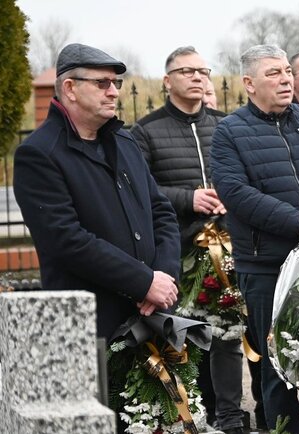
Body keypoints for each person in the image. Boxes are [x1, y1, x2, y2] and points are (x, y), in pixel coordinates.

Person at [211, 44, 299, 434]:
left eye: (287, 71)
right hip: (266, 266)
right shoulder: (230, 131)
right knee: (277, 365)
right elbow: (236, 194)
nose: (286, 79)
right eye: (274, 73)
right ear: (249, 83)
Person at [13, 43, 181, 341]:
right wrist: (143, 282)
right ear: (70, 88)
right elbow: (66, 240)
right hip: (91, 325)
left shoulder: (125, 143)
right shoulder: (39, 153)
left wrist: (163, 277)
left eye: (116, 83)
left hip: (150, 315)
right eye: (102, 83)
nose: (113, 92)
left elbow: (161, 212)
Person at [130, 47, 244, 434]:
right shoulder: (146, 131)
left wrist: (230, 195)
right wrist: (187, 198)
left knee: (226, 335)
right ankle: (191, 417)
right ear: (167, 81)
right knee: (184, 337)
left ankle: (230, 418)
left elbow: (242, 175)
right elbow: (138, 189)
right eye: (187, 71)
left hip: (225, 247)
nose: (197, 77)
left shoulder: (225, 124)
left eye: (202, 71)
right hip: (176, 248)